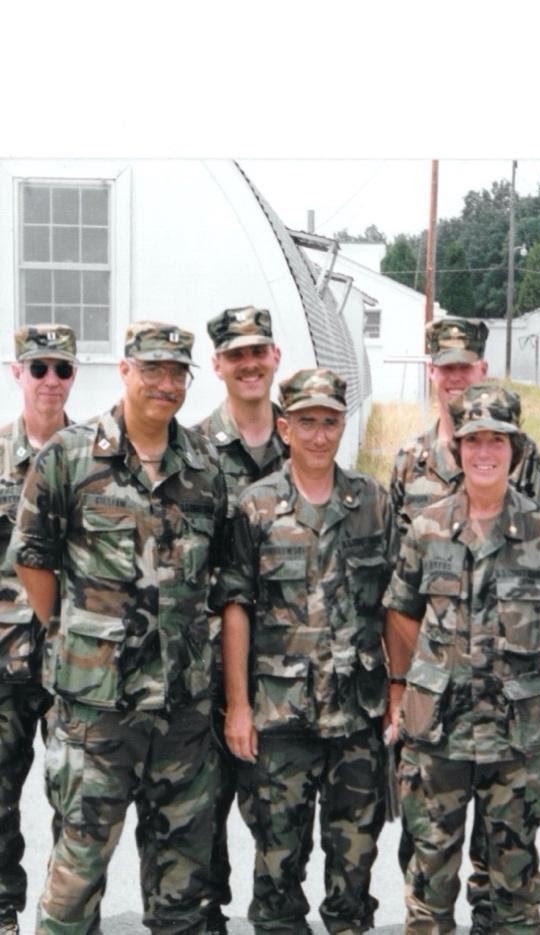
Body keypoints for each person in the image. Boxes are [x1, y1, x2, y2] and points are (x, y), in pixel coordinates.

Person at [12, 322, 227, 935]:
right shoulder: (70, 457)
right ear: (126, 371)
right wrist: (78, 633)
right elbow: (34, 558)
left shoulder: (205, 466)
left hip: (182, 713)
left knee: (183, 887)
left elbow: (218, 576)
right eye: (152, 369)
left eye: (177, 372)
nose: (165, 384)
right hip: (96, 712)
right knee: (77, 877)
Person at [384, 382, 540, 934]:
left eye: (498, 440)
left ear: (515, 450)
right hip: (437, 729)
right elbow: (400, 611)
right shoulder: (427, 528)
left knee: (513, 890)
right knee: (430, 882)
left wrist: (535, 665)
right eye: (474, 441)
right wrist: (414, 678)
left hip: (514, 735)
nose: (485, 452)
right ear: (459, 449)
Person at [220, 367, 395, 934]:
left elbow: (397, 605)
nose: (319, 435)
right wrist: (239, 706)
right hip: (280, 717)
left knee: (354, 867)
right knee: (277, 867)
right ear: (284, 426)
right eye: (306, 422)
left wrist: (397, 693)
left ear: (343, 425)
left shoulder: (371, 501)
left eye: (330, 422)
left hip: (356, 715)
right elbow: (236, 607)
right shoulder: (256, 506)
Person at [191, 304, 287, 933]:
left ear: (274, 357)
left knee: (278, 813)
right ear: (219, 365)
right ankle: (210, 915)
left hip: (286, 662)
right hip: (204, 666)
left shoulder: (304, 437)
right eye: (237, 355)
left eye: (260, 351)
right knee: (202, 810)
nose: (250, 364)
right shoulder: (194, 450)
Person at [0, 325, 78, 933]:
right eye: (39, 368)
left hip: (72, 664)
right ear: (16, 373)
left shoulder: (93, 457)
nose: (50, 381)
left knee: (75, 804)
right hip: (1, 664)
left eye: (62, 369)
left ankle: (71, 917)